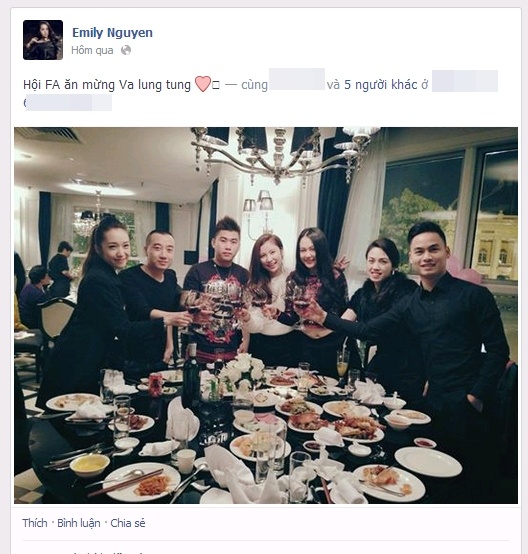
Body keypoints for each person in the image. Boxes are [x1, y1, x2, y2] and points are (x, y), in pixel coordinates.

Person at [302, 221, 510, 502]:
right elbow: (368, 330)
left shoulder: (473, 295)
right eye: (419, 251)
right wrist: (324, 317)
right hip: (431, 402)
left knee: (468, 485)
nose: (427, 257)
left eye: (434, 249)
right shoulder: (411, 302)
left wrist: (475, 396)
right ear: (411, 257)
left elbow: (498, 351)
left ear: (447, 252)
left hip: (468, 404)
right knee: (431, 481)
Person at [36, 217, 187, 408]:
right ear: (99, 248)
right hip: (78, 359)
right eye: (113, 247)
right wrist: (165, 320)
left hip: (87, 356)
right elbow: (122, 329)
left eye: (125, 246)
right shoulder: (100, 280)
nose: (121, 253)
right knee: (69, 417)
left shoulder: (106, 274)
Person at [342, 238, 424, 402]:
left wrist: (323, 317)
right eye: (371, 261)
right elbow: (343, 322)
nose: (375, 267)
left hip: (407, 366)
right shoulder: (363, 292)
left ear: (394, 265)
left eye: (383, 261)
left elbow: (374, 330)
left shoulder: (406, 290)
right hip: (382, 360)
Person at [274, 227, 353, 378]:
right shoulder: (293, 278)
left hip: (332, 344)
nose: (308, 255)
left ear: (321, 250)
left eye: (312, 249)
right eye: (303, 250)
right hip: (305, 346)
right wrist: (276, 313)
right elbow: (292, 319)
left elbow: (344, 314)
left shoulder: (336, 276)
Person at [119, 230, 192, 378]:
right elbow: (143, 311)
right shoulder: (129, 276)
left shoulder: (170, 277)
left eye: (169, 250)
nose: (164, 255)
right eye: (157, 248)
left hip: (162, 353)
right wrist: (175, 317)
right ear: (146, 250)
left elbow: (169, 313)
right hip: (135, 353)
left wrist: (170, 345)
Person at [183, 216, 249, 364]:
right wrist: (199, 303)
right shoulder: (197, 271)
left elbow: (246, 312)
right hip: (200, 350)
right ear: (214, 242)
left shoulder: (244, 274)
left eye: (233, 241)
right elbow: (184, 304)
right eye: (223, 240)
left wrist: (246, 340)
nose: (228, 246)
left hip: (233, 351)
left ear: (239, 244)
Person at [242, 233, 300, 367]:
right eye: (262, 255)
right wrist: (247, 318)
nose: (269, 259)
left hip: (290, 345)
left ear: (281, 251)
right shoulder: (255, 284)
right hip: (261, 345)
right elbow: (256, 325)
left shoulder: (295, 278)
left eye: (272, 252)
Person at [18, 265, 50, 329]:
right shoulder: (38, 294)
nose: (49, 278)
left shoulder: (27, 287)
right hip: (32, 324)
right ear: (41, 279)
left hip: (24, 320)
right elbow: (46, 311)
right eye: (47, 276)